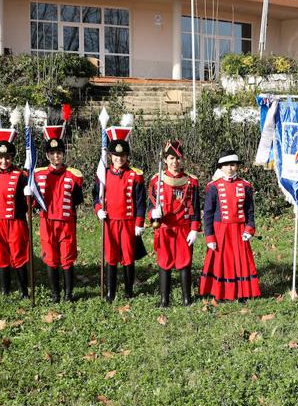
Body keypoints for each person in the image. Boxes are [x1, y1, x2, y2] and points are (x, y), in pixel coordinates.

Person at [93, 125, 147, 303]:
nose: (119, 159)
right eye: (116, 156)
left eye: (123, 156)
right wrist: (98, 210)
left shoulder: (135, 175)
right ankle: (111, 291)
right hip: (110, 221)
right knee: (111, 256)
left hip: (128, 222)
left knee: (128, 256)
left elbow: (140, 201)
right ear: (110, 156)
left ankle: (129, 290)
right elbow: (96, 197)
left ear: (127, 156)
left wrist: (139, 223)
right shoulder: (103, 174)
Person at [31, 124, 83, 302]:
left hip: (66, 222)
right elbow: (33, 201)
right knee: (51, 258)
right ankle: (55, 294)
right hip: (47, 222)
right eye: (52, 153)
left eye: (59, 153)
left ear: (63, 154)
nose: (56, 156)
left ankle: (69, 294)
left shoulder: (74, 175)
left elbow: (77, 199)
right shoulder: (37, 175)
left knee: (67, 258)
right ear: (47, 155)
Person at [200, 150, 260, 302]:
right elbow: (207, 213)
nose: (230, 168)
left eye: (233, 165)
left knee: (241, 261)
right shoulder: (213, 187)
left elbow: (249, 211)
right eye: (226, 165)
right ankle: (220, 292)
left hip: (239, 229)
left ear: (237, 166)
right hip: (221, 230)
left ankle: (242, 292)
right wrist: (210, 236)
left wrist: (249, 228)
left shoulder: (245, 185)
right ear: (221, 167)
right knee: (222, 261)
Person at [149, 140, 201, 307]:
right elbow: (150, 203)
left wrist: (194, 229)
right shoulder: (156, 180)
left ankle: (187, 299)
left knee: (184, 262)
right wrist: (153, 213)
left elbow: (195, 207)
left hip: (183, 228)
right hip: (165, 228)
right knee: (164, 262)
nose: (175, 162)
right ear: (165, 160)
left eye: (178, 158)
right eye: (171, 158)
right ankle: (165, 300)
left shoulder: (191, 181)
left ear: (182, 159)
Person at [0, 128, 30, 298]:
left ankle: (24, 291)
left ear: (12, 158)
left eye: (7, 157)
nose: (4, 161)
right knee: (1, 255)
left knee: (19, 255)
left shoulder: (21, 175)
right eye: (0, 158)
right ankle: (5, 290)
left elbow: (29, 202)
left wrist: (29, 197)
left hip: (16, 222)